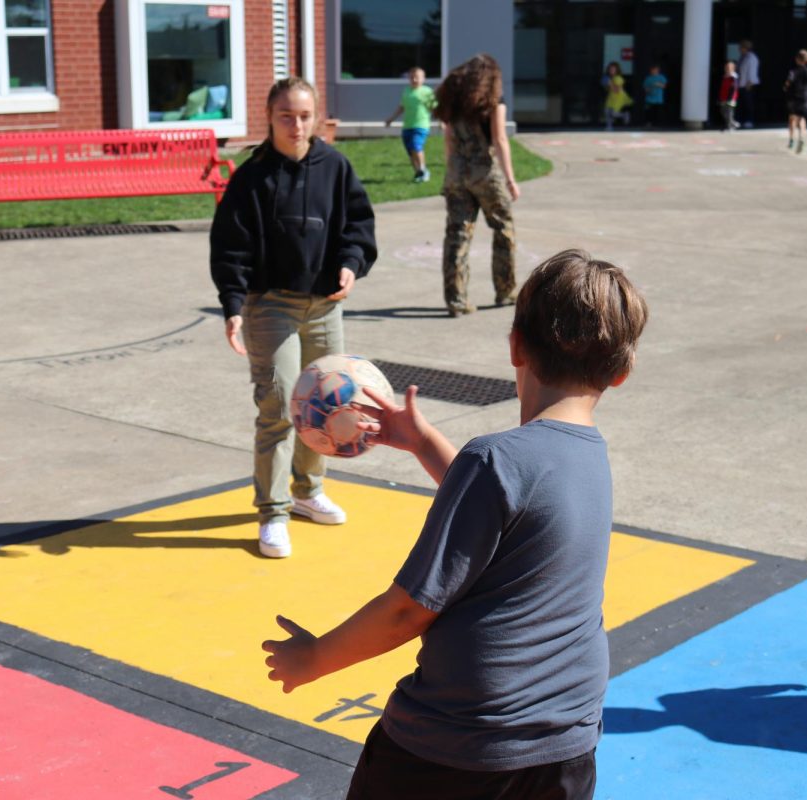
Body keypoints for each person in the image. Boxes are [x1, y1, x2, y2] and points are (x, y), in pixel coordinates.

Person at [262, 249, 650, 800]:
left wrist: (314, 657)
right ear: (620, 372)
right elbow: (508, 515)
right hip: (564, 741)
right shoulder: (588, 455)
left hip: (458, 746)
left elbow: (407, 609)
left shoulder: (494, 460)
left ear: (514, 344)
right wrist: (423, 443)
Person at [210, 76, 377, 559]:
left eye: (304, 116)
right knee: (280, 405)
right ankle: (273, 511)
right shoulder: (253, 175)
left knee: (325, 405)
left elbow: (358, 226)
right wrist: (232, 304)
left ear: (318, 118)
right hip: (272, 306)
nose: (296, 125)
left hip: (325, 305)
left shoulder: (336, 167)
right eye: (286, 116)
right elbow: (230, 246)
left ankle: (307, 490)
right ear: (269, 117)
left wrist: (351, 263)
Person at [433, 53, 519, 318]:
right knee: (503, 228)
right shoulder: (494, 101)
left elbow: (448, 139)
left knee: (457, 234)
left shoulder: (454, 102)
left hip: (457, 172)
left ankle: (456, 300)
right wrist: (511, 179)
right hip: (485, 173)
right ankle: (505, 290)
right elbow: (500, 138)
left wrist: (452, 172)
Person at [384, 67, 437, 183]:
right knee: (411, 151)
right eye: (412, 77)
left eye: (417, 77)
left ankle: (423, 170)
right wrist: (391, 119)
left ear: (423, 79)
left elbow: (434, 108)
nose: (414, 79)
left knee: (416, 146)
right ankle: (418, 172)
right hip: (407, 126)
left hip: (421, 125)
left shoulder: (427, 92)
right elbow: (401, 107)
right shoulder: (407, 91)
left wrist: (441, 121)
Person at [784, 49, 807, 154]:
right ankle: (801, 137)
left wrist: (785, 88)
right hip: (804, 98)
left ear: (797, 59)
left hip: (793, 98)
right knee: (802, 119)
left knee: (792, 118)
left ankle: (791, 140)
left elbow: (788, 83)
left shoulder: (793, 71)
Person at [736, 40, 760, 128]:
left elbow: (752, 72)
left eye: (740, 47)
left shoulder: (751, 58)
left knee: (748, 104)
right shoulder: (742, 57)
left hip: (748, 85)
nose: (739, 49)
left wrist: (749, 83)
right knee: (741, 104)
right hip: (741, 85)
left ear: (745, 48)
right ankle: (741, 120)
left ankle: (749, 120)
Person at [602, 62, 633, 131]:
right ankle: (609, 127)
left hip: (619, 97)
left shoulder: (618, 78)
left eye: (613, 69)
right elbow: (608, 89)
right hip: (611, 96)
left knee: (613, 113)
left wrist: (609, 84)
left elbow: (617, 90)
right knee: (607, 111)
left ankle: (625, 115)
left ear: (617, 70)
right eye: (610, 69)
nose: (611, 71)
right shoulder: (609, 78)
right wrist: (606, 85)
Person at [718, 60, 740, 132]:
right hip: (723, 97)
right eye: (726, 67)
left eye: (729, 67)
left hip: (731, 97)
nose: (727, 69)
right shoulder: (724, 76)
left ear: (733, 68)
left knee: (729, 112)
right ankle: (733, 123)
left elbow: (734, 88)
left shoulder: (733, 77)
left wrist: (730, 97)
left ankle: (730, 126)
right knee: (723, 111)